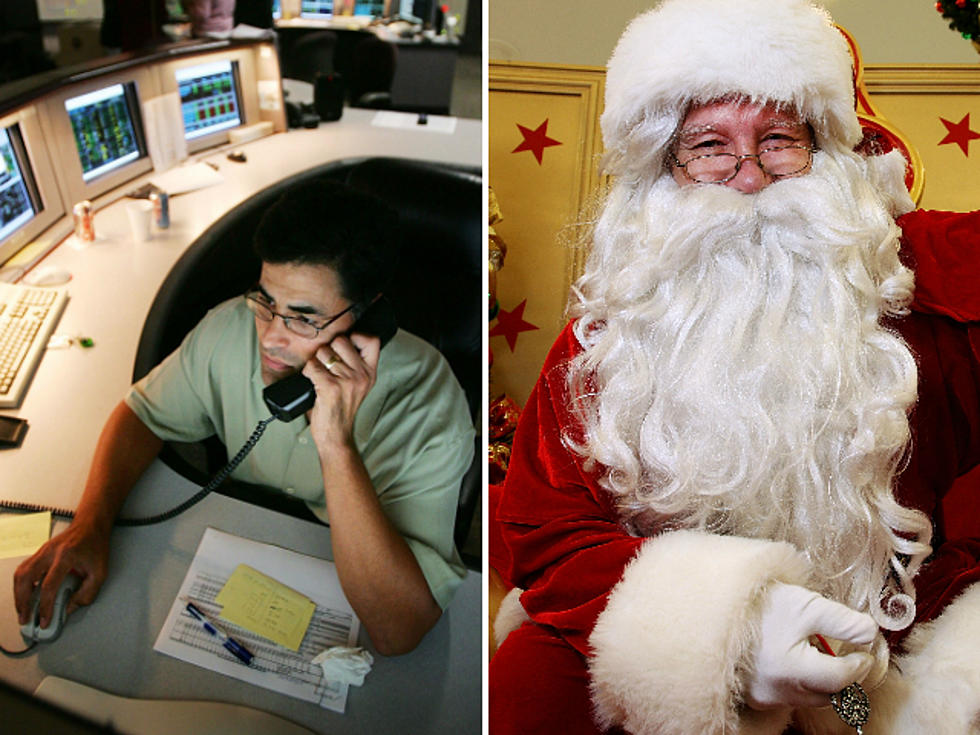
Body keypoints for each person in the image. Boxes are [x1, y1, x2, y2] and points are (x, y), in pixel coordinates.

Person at [489, 0, 980, 733]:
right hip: (666, 650)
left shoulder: (910, 303)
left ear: (828, 155)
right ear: (666, 168)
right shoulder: (610, 341)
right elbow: (547, 531)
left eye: (780, 139)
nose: (750, 176)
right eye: (710, 146)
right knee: (523, 689)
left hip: (854, 669)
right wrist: (731, 628)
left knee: (859, 719)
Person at [15, 180, 474, 656]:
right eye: (267, 302)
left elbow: (399, 631)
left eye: (303, 317)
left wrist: (335, 442)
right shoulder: (230, 326)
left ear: (367, 318)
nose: (272, 337)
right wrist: (91, 524)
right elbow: (141, 414)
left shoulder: (429, 402)